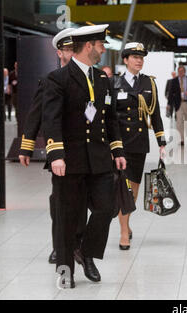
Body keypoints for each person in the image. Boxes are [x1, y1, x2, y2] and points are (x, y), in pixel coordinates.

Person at [42, 24, 126, 288]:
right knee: (67, 215)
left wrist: (117, 149)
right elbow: (51, 119)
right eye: (100, 45)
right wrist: (56, 154)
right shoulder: (58, 79)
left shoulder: (102, 79)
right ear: (88, 46)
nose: (103, 50)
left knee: (106, 208)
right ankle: (66, 269)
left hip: (100, 159)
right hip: (69, 160)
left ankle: (86, 252)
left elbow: (110, 118)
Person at [18, 28, 84, 265]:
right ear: (59, 52)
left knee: (81, 202)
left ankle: (77, 244)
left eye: (74, 49)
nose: (70, 54)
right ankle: (60, 247)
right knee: (60, 202)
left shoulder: (87, 80)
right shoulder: (50, 80)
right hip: (59, 151)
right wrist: (26, 146)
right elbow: (35, 114)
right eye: (67, 49)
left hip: (83, 151)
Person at [111, 42, 166, 250]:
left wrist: (161, 141)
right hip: (119, 143)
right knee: (122, 188)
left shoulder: (148, 83)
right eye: (134, 57)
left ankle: (126, 222)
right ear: (125, 60)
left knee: (133, 189)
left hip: (138, 144)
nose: (138, 60)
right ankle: (124, 232)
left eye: (141, 57)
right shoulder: (114, 83)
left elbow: (156, 114)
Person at [167, 65, 187, 145]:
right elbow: (170, 93)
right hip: (178, 104)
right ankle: (181, 139)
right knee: (179, 122)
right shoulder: (174, 81)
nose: (180, 73)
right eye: (179, 71)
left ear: (184, 71)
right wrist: (169, 104)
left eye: (182, 71)